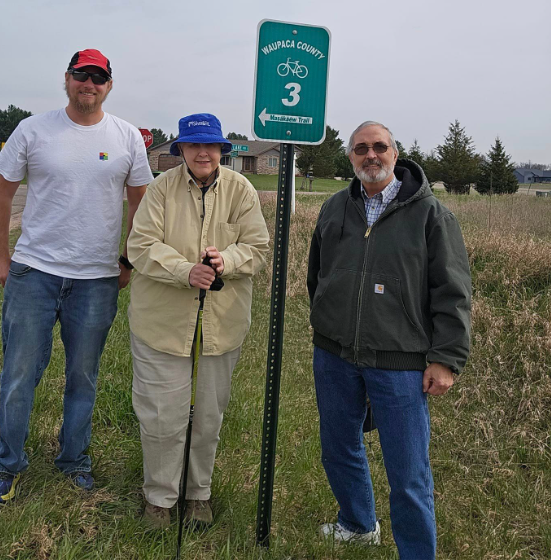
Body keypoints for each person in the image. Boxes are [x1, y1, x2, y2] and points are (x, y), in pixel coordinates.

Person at [0, 49, 153, 504]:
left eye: (98, 78)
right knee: (19, 373)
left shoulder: (127, 138)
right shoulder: (33, 130)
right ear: (67, 79)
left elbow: (141, 205)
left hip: (96, 280)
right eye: (82, 75)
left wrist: (126, 261)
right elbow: (2, 196)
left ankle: (74, 460)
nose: (89, 84)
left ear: (109, 85)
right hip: (34, 272)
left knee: (84, 375)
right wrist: (3, 257)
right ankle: (7, 464)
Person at [307, 121, 471, 559]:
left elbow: (452, 292)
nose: (370, 155)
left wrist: (446, 359)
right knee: (338, 446)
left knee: (408, 473)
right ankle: (358, 524)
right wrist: (325, 325)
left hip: (400, 362)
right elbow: (317, 274)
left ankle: (417, 553)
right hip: (335, 355)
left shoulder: (431, 214)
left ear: (395, 155)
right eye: (361, 149)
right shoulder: (335, 208)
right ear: (351, 158)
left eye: (379, 147)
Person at [126, 113, 269, 529]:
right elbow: (140, 245)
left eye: (211, 145)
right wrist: (184, 270)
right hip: (162, 322)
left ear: (223, 150)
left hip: (221, 325)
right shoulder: (160, 189)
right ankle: (159, 498)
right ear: (181, 150)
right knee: (161, 416)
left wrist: (229, 259)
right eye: (193, 145)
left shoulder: (241, 189)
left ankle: (197, 495)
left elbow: (257, 248)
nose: (203, 152)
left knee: (208, 417)